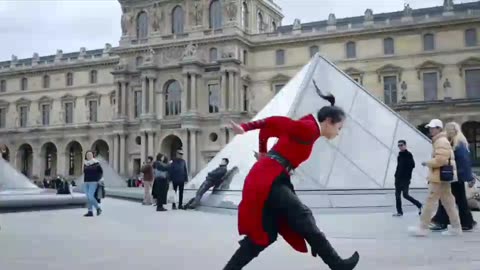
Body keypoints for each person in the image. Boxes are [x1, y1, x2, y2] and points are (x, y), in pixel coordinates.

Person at [223, 81, 359, 270]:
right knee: (302, 216)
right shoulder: (309, 129)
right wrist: (245, 127)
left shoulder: (309, 128)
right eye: (339, 127)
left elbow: (269, 131)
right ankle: (337, 265)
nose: (338, 132)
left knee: (266, 234)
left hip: (270, 175)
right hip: (268, 178)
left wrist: (263, 153)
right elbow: (273, 122)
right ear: (328, 121)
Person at [408, 119, 461, 236]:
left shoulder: (440, 141)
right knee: (449, 202)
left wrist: (427, 163)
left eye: (433, 128)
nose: (430, 130)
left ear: (439, 129)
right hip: (442, 176)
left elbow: (440, 160)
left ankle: (422, 228)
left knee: (430, 202)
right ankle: (456, 227)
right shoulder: (440, 140)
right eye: (430, 128)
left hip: (438, 177)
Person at [429, 122, 477, 232]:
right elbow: (466, 163)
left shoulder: (456, 143)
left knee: (446, 198)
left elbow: (459, 162)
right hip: (458, 176)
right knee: (460, 200)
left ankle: (441, 221)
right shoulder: (461, 142)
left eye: (447, 130)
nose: (445, 133)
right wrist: (469, 176)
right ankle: (467, 222)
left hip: (454, 176)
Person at [393, 140, 422, 217]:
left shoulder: (408, 155)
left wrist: (406, 174)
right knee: (397, 195)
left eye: (401, 145)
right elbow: (398, 166)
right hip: (398, 178)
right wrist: (396, 175)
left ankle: (419, 205)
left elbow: (412, 165)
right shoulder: (399, 155)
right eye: (398, 145)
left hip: (405, 179)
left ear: (405, 145)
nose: (400, 147)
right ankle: (399, 212)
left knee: (405, 195)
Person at [83, 150, 103, 217]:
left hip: (93, 182)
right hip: (86, 182)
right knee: (88, 197)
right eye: (87, 154)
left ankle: (98, 208)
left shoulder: (96, 163)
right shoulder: (85, 163)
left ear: (92, 155)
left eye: (90, 154)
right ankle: (90, 211)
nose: (88, 156)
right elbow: (85, 173)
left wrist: (98, 180)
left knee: (90, 196)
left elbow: (100, 172)